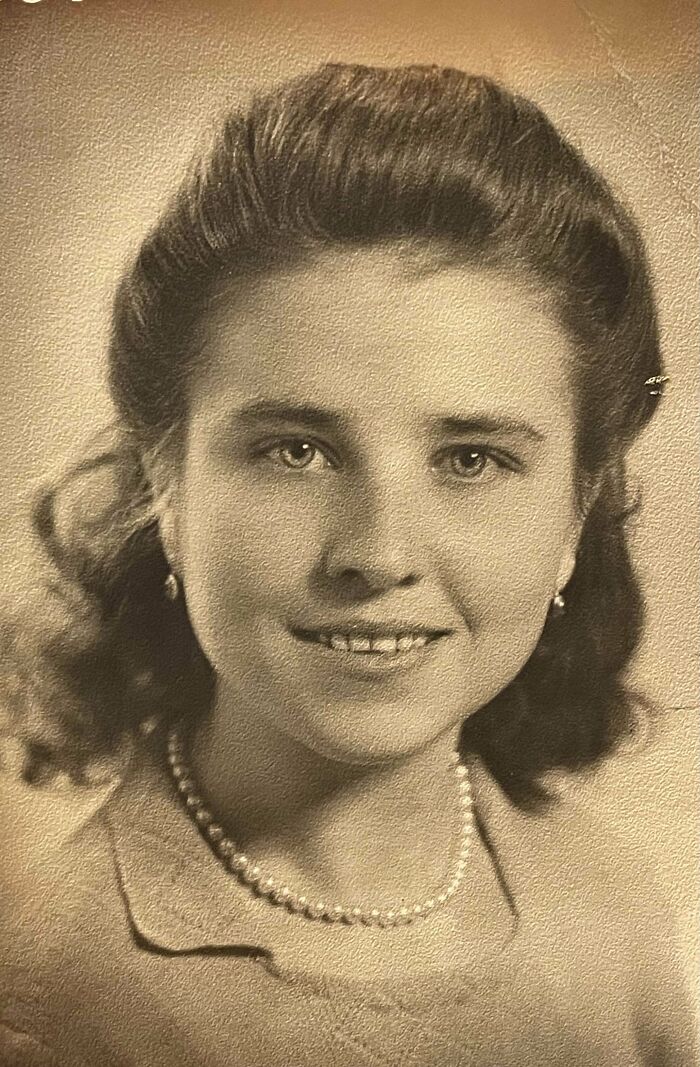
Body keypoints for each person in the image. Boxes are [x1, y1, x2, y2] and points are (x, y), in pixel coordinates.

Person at [0, 62, 695, 1067]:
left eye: (471, 459)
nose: (377, 552)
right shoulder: (56, 993)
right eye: (296, 448)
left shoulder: (609, 909)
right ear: (168, 483)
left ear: (573, 518)